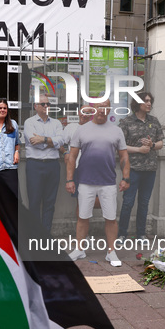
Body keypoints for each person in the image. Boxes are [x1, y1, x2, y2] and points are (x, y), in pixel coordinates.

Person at [66, 99, 130, 266]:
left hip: (108, 182)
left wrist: (125, 177)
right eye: (100, 107)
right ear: (94, 109)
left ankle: (111, 252)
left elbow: (124, 157)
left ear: (109, 110)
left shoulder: (117, 131)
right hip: (85, 181)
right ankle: (79, 249)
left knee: (110, 218)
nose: (102, 110)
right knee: (82, 216)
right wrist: (70, 179)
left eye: (106, 107)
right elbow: (72, 157)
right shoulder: (82, 130)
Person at [118, 92, 164, 241]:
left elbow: (161, 143)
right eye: (146, 101)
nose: (149, 103)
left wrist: (152, 145)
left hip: (150, 169)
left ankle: (141, 234)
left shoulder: (154, 121)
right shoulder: (126, 122)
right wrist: (139, 149)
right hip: (132, 169)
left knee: (144, 203)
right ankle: (121, 234)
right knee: (128, 202)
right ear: (138, 103)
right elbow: (120, 146)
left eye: (150, 101)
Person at [23, 94, 64, 232]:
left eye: (48, 104)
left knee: (50, 202)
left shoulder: (57, 123)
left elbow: (61, 141)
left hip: (53, 165)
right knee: (34, 202)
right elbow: (34, 143)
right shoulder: (29, 122)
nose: (46, 106)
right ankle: (35, 234)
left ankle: (46, 234)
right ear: (36, 106)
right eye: (43, 104)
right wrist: (51, 142)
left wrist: (44, 140)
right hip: (35, 165)